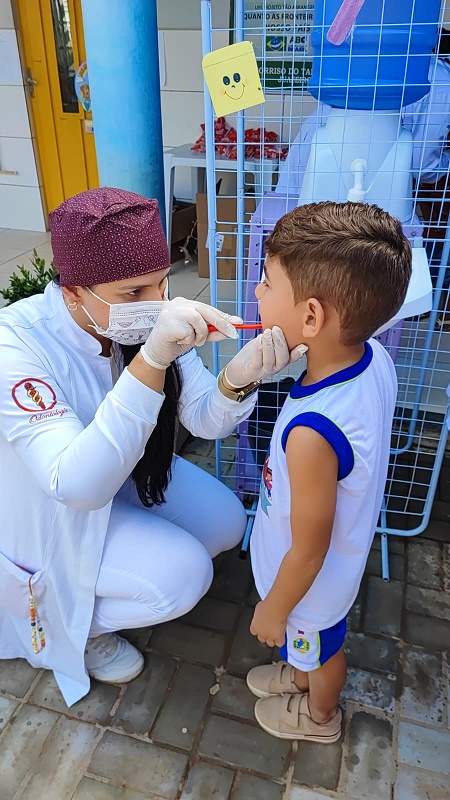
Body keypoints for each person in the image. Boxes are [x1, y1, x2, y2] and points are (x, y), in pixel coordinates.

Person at [0, 187, 304, 707]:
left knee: (227, 523)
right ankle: (68, 630)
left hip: (128, 473)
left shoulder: (141, 318)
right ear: (73, 291)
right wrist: (153, 359)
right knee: (182, 578)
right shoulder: (16, 344)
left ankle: (121, 569)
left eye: (162, 284)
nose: (155, 305)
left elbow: (203, 417)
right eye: (133, 293)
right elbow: (75, 484)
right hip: (54, 506)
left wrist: (239, 377)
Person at [243, 201, 411, 742]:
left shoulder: (313, 433)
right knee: (310, 646)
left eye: (266, 283)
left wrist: (275, 608)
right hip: (325, 573)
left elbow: (309, 550)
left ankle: (319, 716)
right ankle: (299, 667)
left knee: (321, 649)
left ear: (312, 317)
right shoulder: (373, 356)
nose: (256, 295)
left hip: (308, 592)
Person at [276, 29, 450, 197]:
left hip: (324, 143)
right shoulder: (442, 81)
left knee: (302, 216)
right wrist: (447, 161)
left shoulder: (406, 61)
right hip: (343, 160)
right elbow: (423, 167)